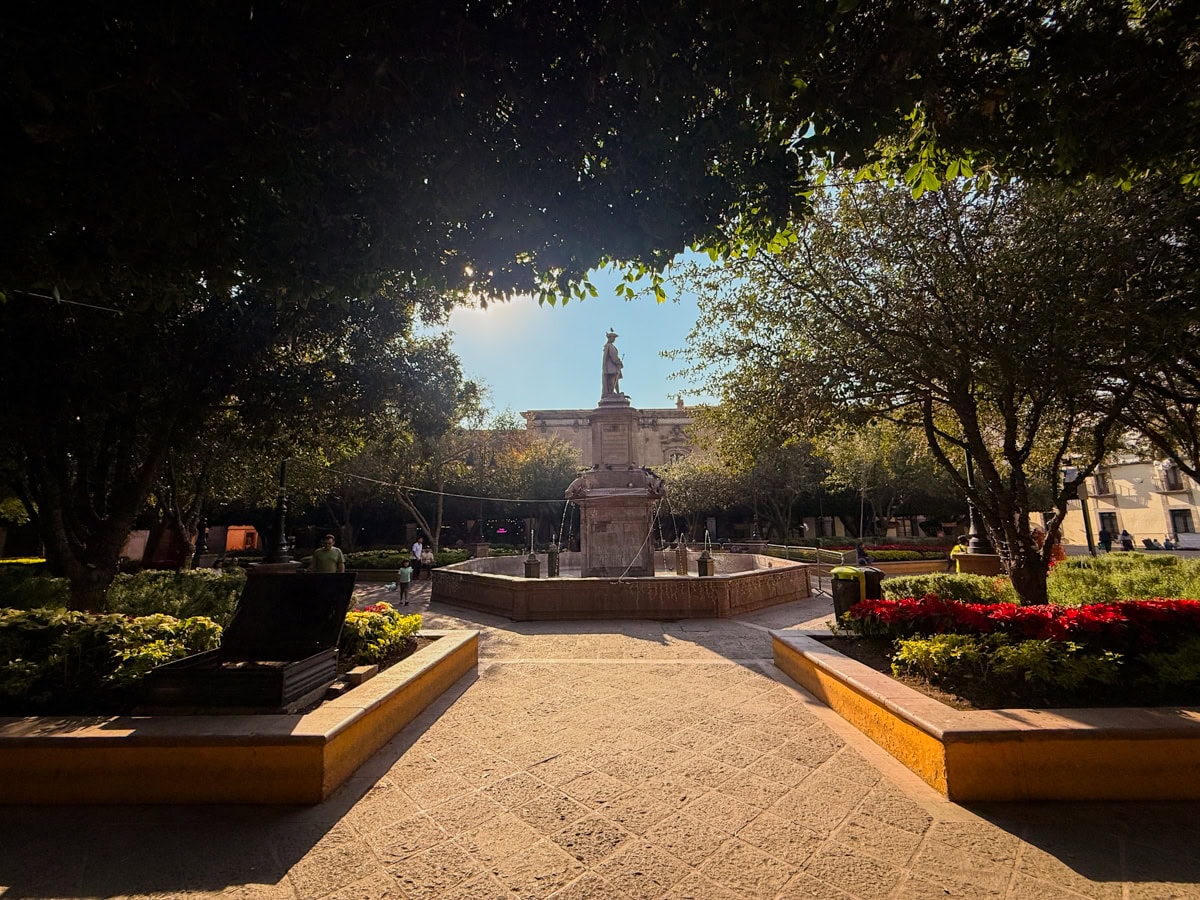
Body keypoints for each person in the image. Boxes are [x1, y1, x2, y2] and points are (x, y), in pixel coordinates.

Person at [602, 330, 623, 396]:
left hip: (612, 366)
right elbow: (613, 356)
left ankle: (616, 392)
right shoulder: (609, 346)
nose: (614, 339)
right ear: (610, 338)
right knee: (612, 379)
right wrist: (619, 362)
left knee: (615, 379)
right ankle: (611, 392)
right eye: (613, 338)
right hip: (611, 366)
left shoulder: (609, 346)